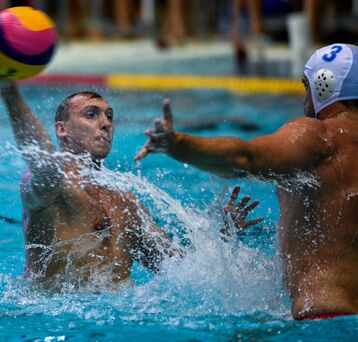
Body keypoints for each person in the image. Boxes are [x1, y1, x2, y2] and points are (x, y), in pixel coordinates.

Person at [0, 66, 262, 292]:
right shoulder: (52, 186)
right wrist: (9, 92)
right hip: (53, 322)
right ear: (62, 130)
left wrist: (223, 235)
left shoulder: (127, 202)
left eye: (109, 116)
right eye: (91, 115)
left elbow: (178, 267)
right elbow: (42, 161)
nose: (106, 123)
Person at [135, 43, 358, 320]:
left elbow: (246, 158)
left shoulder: (319, 137)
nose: (304, 99)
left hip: (323, 320)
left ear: (324, 86)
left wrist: (177, 145)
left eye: (306, 86)